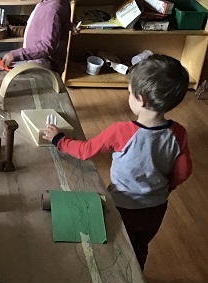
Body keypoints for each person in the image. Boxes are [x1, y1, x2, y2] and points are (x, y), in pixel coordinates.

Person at [43, 54, 191, 270]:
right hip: (156, 207)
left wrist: (58, 140)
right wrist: (168, 187)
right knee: (141, 245)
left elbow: (85, 151)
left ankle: (114, 275)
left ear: (140, 100)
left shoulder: (121, 132)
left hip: (123, 204)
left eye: (129, 92)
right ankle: (138, 276)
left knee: (118, 242)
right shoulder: (179, 133)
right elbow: (184, 171)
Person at [1, 0, 73, 75]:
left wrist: (16, 55)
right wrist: (69, 25)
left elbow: (47, 47)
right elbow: (58, 22)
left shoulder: (52, 10)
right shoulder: (52, 3)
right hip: (38, 61)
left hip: (43, 67)